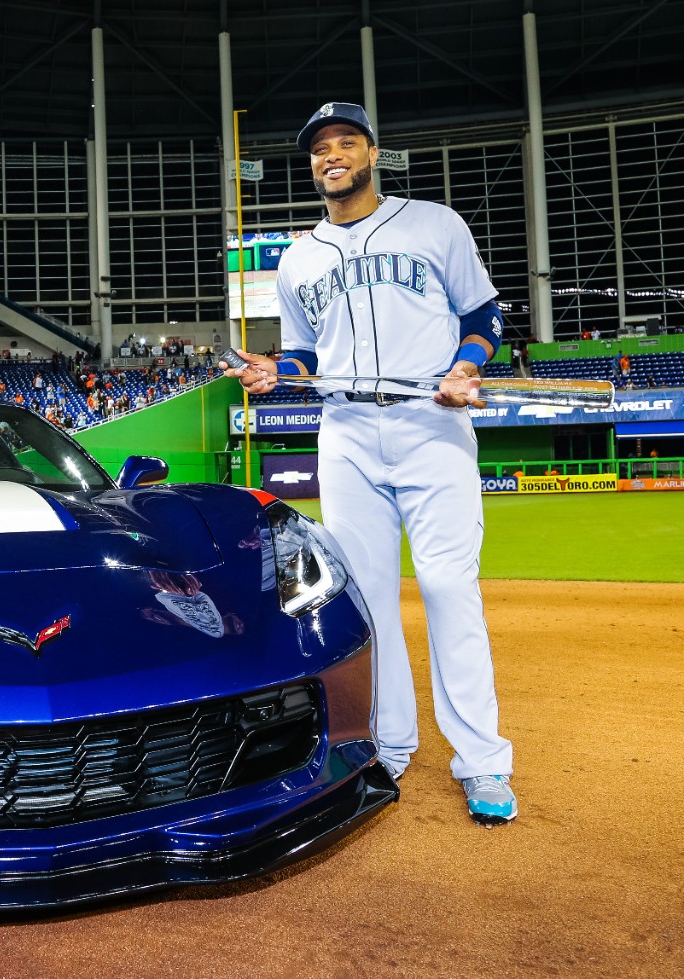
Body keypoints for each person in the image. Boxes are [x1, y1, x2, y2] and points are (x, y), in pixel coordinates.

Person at [226, 101, 516, 826]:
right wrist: (275, 371)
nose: (333, 154)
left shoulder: (434, 224)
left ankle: (482, 760)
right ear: (313, 163)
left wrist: (467, 364)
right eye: (321, 147)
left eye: (346, 142)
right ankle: (388, 744)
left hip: (432, 423)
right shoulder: (299, 257)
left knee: (451, 588)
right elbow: (307, 354)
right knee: (369, 600)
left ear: (371, 152)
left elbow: (484, 316)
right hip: (347, 428)